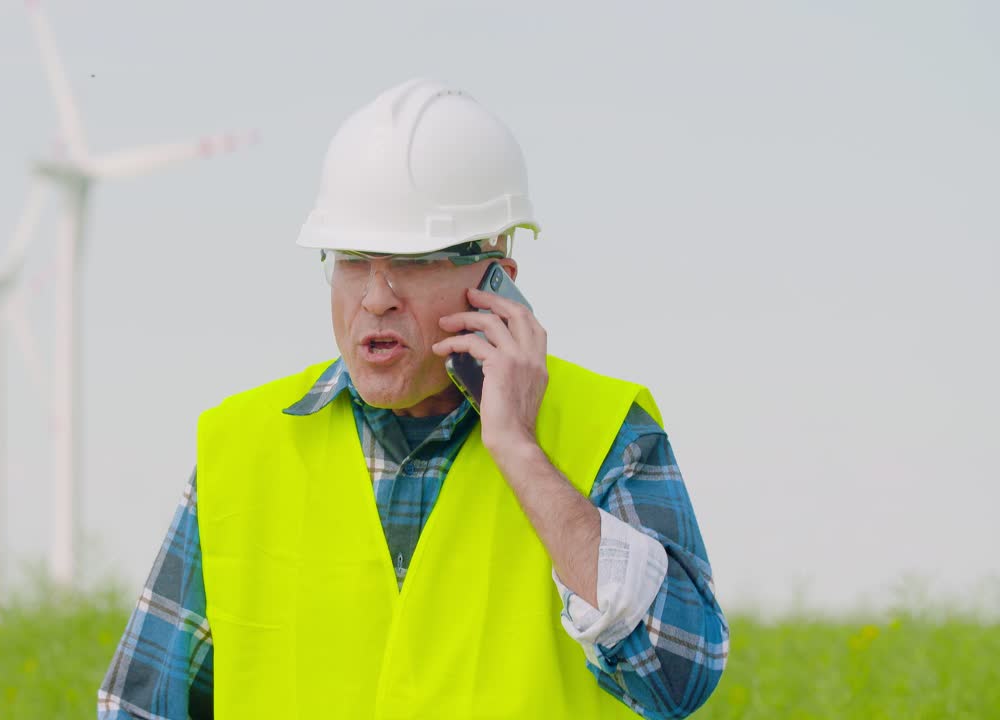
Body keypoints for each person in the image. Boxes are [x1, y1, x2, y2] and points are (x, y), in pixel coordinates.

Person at [97, 78, 728, 719]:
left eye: (413, 260)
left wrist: (520, 451)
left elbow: (678, 677)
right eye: (351, 259)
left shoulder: (605, 431)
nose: (375, 298)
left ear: (496, 282)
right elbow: (139, 706)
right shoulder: (241, 445)